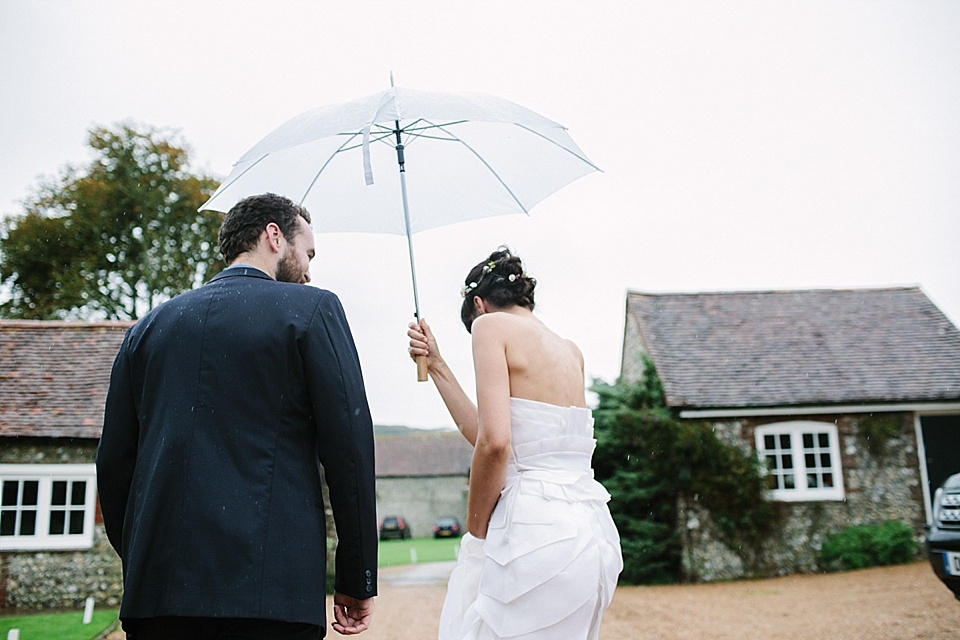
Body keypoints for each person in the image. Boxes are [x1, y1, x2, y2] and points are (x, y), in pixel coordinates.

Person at [97, 193, 377, 639]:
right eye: (307, 253)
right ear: (273, 236)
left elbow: (113, 464)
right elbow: (350, 452)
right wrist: (356, 574)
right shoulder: (312, 310)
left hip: (157, 599)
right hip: (270, 596)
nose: (309, 270)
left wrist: (142, 558)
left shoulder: (147, 330)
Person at [407, 247, 622, 640]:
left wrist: (476, 529)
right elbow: (497, 435)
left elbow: (495, 445)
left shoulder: (489, 328)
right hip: (591, 536)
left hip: (533, 534)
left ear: (479, 305)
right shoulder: (570, 351)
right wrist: (437, 365)